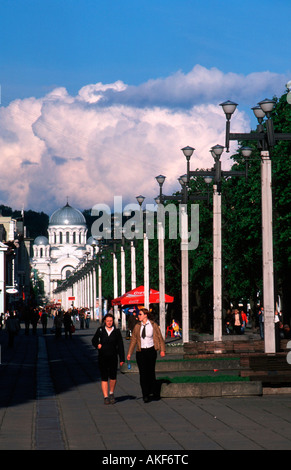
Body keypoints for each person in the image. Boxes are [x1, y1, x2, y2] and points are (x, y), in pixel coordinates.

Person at [127, 308, 166, 403]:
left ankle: (153, 391)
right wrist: (129, 353)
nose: (138, 316)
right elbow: (134, 340)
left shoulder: (153, 325)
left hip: (151, 351)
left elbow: (160, 338)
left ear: (145, 315)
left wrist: (162, 350)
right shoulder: (137, 326)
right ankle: (145, 394)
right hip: (141, 352)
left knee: (151, 372)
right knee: (143, 374)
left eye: (140, 314)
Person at [92, 313, 125, 405]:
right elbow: (94, 340)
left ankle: (111, 393)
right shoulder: (100, 330)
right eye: (107, 321)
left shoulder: (117, 331)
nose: (109, 323)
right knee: (104, 377)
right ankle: (106, 396)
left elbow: (120, 346)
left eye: (111, 321)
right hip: (102, 357)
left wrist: (122, 359)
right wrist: (97, 345)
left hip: (113, 357)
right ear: (104, 321)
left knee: (113, 376)